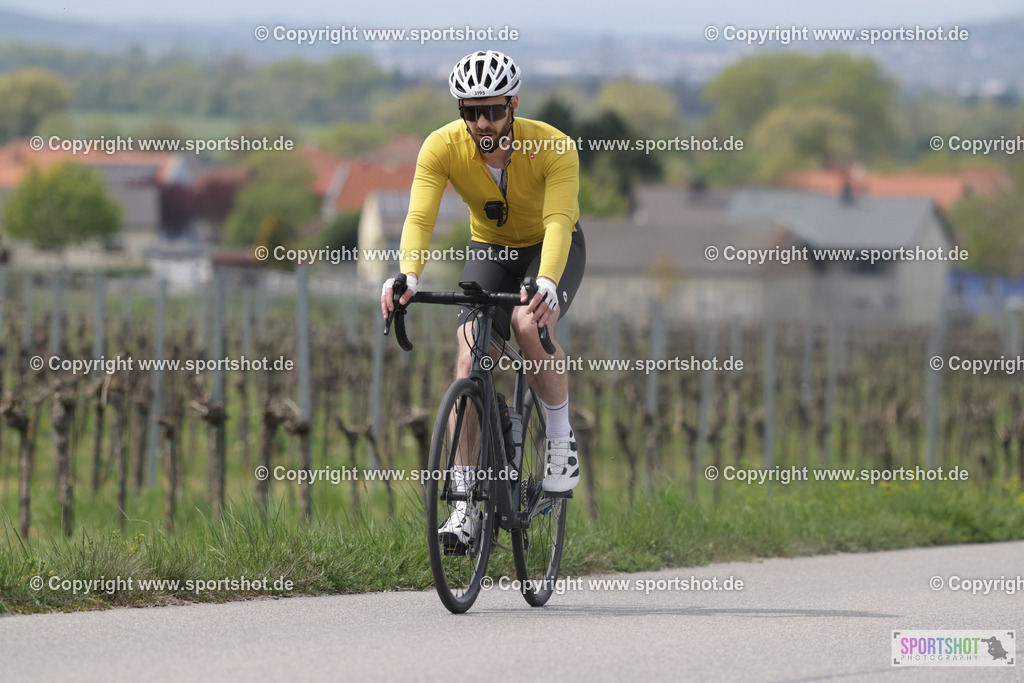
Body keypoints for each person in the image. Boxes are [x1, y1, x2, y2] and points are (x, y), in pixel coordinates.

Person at [381, 50, 586, 547]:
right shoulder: (442, 147)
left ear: (513, 104)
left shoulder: (553, 147)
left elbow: (559, 221)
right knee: (470, 350)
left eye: (493, 109)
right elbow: (420, 218)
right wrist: (407, 274)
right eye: (471, 111)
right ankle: (465, 500)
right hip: (491, 249)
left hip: (550, 249)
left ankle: (560, 439)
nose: (483, 121)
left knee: (525, 324)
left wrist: (548, 283)